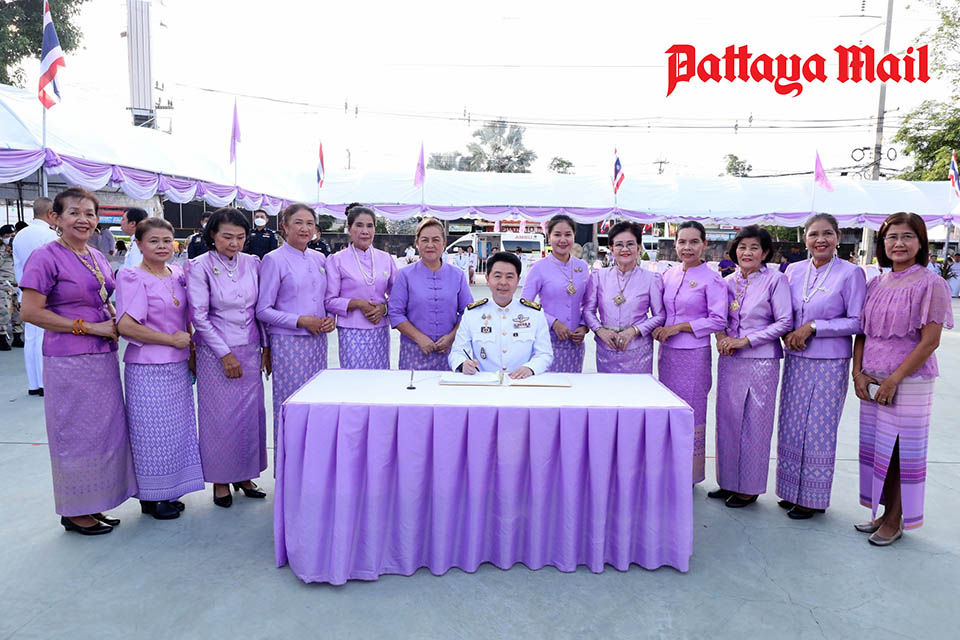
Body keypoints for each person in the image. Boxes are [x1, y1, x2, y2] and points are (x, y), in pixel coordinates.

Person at [19, 187, 137, 536]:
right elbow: (30, 312)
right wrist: (88, 327)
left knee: (102, 434)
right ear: (56, 218)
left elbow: (103, 297)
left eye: (89, 213)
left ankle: (93, 502)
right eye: (74, 213)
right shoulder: (46, 256)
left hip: (102, 357)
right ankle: (74, 510)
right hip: (68, 358)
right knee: (75, 434)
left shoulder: (96, 255)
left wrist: (113, 318)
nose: (83, 219)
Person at [853, 212, 954, 546]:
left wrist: (894, 379)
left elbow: (930, 342)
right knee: (879, 451)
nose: (899, 243)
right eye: (892, 237)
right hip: (873, 379)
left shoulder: (931, 284)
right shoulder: (875, 283)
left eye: (907, 236)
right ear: (883, 243)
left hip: (909, 382)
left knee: (901, 452)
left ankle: (896, 519)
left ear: (921, 242)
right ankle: (884, 513)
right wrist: (857, 373)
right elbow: (862, 333)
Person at [775, 214, 867, 519]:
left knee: (818, 429)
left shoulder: (851, 273)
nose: (820, 240)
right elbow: (783, 311)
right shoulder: (793, 270)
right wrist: (787, 331)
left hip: (830, 361)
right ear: (805, 239)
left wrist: (814, 326)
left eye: (827, 233)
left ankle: (812, 498)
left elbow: (858, 321)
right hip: (796, 358)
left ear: (838, 237)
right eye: (814, 234)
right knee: (791, 425)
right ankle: (791, 491)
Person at [116, 217, 203, 520]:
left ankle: (169, 491)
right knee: (151, 435)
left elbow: (187, 317)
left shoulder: (177, 273)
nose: (162, 246)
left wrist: (189, 350)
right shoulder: (132, 276)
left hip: (177, 365)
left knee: (176, 432)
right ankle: (152, 496)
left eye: (167, 240)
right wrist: (170, 339)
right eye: (153, 241)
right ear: (139, 244)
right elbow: (126, 326)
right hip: (148, 367)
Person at [184, 207, 269, 508]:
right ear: (212, 235)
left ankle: (245, 475)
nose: (234, 243)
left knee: (249, 417)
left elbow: (259, 309)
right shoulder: (199, 266)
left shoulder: (253, 263)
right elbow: (199, 316)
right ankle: (221, 479)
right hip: (215, 353)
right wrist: (224, 354)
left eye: (240, 237)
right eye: (227, 237)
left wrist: (266, 347)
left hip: (250, 348)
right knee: (220, 419)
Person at [710, 225, 793, 508]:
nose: (747, 252)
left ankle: (749, 487)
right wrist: (721, 337)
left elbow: (785, 322)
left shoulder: (775, 280)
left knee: (754, 424)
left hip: (761, 361)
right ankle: (728, 481)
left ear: (765, 252)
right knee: (727, 419)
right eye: (742, 247)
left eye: (754, 247)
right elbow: (717, 318)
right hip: (730, 359)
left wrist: (746, 341)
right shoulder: (726, 281)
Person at [256, 203, 334, 464]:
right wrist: (300, 321)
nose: (304, 228)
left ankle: (314, 467)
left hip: (317, 343)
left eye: (309, 223)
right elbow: (263, 310)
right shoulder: (274, 259)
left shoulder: (319, 259)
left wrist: (329, 320)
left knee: (316, 405)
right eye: (298, 222)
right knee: (291, 406)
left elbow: (325, 299)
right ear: (284, 226)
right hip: (288, 344)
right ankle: (289, 469)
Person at [652, 221, 727, 484]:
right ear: (675, 245)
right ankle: (667, 471)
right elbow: (660, 312)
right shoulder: (668, 275)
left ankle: (689, 474)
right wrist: (658, 327)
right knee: (668, 410)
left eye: (694, 242)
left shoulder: (713, 279)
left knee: (691, 412)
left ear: (704, 244)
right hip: (667, 355)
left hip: (694, 355)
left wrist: (680, 327)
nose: (687, 247)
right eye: (682, 242)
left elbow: (719, 320)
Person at [449, 251, 553, 377]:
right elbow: (457, 352)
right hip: (484, 383)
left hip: (522, 383)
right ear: (487, 279)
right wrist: (463, 364)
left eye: (509, 277)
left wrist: (530, 368)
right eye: (497, 276)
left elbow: (545, 354)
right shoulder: (473, 313)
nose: (503, 282)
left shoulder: (534, 313)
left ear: (518, 280)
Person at [389, 218, 473, 371]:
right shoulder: (405, 275)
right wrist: (418, 338)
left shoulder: (458, 275)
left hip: (450, 353)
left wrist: (452, 337)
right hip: (414, 353)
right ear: (417, 243)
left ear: (444, 243)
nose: (430, 245)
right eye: (424, 240)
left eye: (436, 240)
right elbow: (395, 313)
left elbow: (468, 312)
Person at [583, 221, 665, 373]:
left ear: (638, 248)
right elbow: (588, 310)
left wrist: (634, 330)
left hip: (638, 349)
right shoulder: (598, 276)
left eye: (630, 244)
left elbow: (659, 315)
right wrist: (600, 330)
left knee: (637, 388)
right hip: (607, 347)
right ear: (611, 249)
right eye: (619, 245)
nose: (625, 249)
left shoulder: (651, 279)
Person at [325, 204, 397, 369]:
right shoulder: (337, 260)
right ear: (349, 228)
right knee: (354, 379)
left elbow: (398, 295)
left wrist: (383, 309)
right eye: (359, 225)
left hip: (379, 329)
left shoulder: (385, 258)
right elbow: (329, 301)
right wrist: (357, 303)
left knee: (380, 377)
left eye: (369, 226)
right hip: (351, 331)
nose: (365, 231)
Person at [521, 214, 590, 373]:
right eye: (557, 234)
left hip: (575, 343)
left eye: (568, 234)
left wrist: (584, 326)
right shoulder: (539, 268)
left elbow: (589, 303)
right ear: (549, 236)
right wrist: (553, 323)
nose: (563, 240)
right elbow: (525, 304)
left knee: (573, 384)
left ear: (574, 236)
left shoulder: (582, 267)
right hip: (546, 340)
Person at [13, 197, 58, 396]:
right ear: (50, 213)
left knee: (31, 339)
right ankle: (44, 383)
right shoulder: (50, 236)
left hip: (25, 292)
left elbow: (18, 265)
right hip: (45, 294)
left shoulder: (20, 235)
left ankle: (34, 383)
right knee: (44, 338)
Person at [1, 224, 24, 350]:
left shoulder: (17, 248)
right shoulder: (2, 248)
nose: (10, 238)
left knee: (18, 311)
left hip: (16, 284)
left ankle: (17, 336)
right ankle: (2, 337)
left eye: (12, 235)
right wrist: (5, 252)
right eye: (7, 236)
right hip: (3, 284)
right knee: (3, 311)